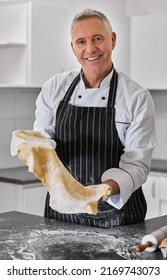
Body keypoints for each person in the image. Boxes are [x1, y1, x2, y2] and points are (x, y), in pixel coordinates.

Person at [33, 9, 156, 228]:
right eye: (81, 42)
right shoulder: (54, 88)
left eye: (97, 38)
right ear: (73, 48)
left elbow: (136, 165)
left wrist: (101, 191)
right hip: (62, 213)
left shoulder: (136, 97)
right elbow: (42, 143)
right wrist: (33, 147)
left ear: (113, 40)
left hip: (116, 216)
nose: (90, 49)